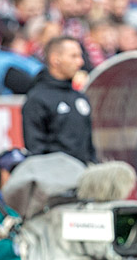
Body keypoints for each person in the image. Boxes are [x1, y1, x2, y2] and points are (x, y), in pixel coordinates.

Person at [21, 36, 97, 165]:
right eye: (73, 56)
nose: (80, 62)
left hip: (83, 177)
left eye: (80, 56)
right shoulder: (38, 99)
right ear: (55, 60)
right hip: (55, 180)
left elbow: (89, 146)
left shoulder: (80, 98)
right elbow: (36, 150)